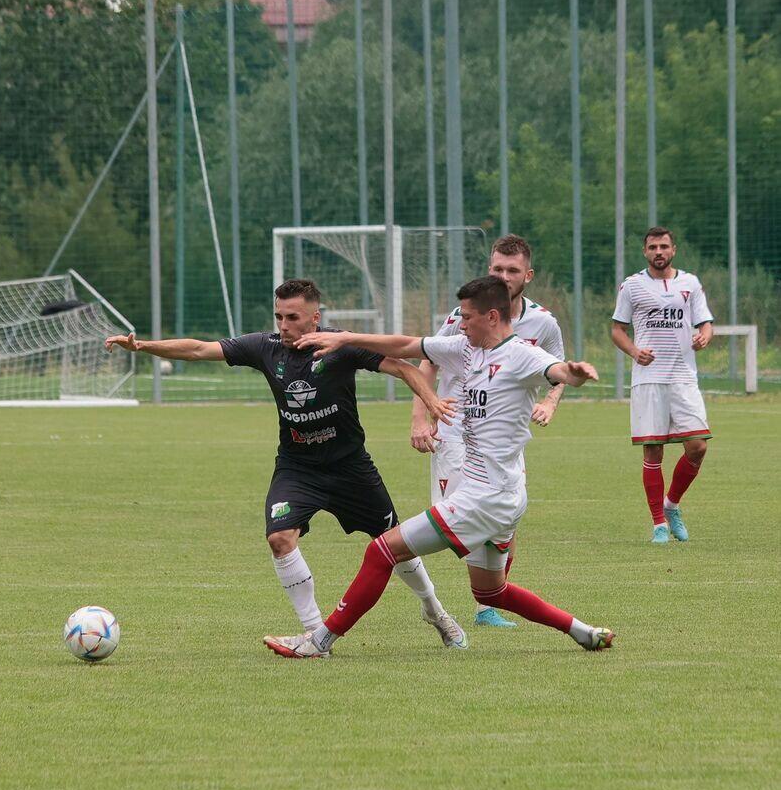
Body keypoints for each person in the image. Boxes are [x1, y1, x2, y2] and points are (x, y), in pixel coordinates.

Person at [106, 278, 468, 652]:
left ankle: (435, 611)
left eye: (292, 317)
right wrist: (143, 346)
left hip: (351, 469)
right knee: (280, 539)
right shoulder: (265, 348)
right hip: (298, 469)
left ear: (315, 317)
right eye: (279, 316)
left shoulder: (339, 346)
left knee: (394, 543)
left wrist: (432, 404)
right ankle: (316, 635)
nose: (283, 325)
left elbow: (406, 369)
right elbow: (199, 349)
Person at [264, 276, 612, 659]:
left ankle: (318, 642)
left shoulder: (522, 356)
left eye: (467, 317)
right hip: (504, 494)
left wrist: (575, 373)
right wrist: (345, 338)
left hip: (485, 498)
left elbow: (560, 372)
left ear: (492, 317)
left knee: (381, 551)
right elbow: (406, 345)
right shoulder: (464, 348)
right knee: (490, 592)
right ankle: (582, 631)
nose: (460, 324)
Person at [409, 234, 565, 629]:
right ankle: (452, 596)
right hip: (455, 431)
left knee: (502, 518)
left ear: (528, 275)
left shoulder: (543, 322)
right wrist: (421, 417)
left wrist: (549, 403)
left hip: (503, 438)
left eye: (512, 270)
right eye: (497, 268)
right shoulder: (462, 316)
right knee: (463, 518)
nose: (504, 276)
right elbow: (427, 361)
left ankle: (487, 604)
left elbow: (558, 369)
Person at [611, 227, 713, 544]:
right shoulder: (632, 285)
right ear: (645, 251)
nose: (659, 251)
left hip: (683, 377)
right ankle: (658, 523)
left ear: (673, 250)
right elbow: (617, 329)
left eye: (664, 246)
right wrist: (634, 351)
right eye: (653, 247)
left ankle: (671, 505)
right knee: (653, 450)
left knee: (698, 446)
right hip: (649, 379)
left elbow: (705, 324)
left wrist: (704, 336)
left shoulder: (690, 283)